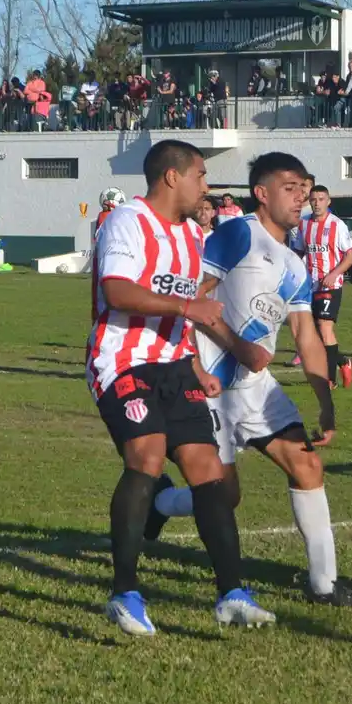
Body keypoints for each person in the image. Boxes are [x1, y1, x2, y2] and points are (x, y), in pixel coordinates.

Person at [148, 152, 352, 608]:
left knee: (307, 465)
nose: (302, 196)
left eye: (305, 187)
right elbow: (193, 299)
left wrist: (324, 402)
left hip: (255, 388)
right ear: (262, 193)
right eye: (290, 187)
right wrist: (235, 347)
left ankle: (324, 586)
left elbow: (305, 335)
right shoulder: (236, 235)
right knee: (224, 497)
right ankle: (161, 504)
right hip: (209, 387)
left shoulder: (294, 262)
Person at [87, 139, 270, 636]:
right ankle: (125, 594)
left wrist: (197, 361)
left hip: (174, 365)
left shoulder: (192, 235)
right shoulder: (127, 221)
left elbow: (185, 305)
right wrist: (190, 311)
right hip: (121, 361)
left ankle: (231, 593)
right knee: (147, 455)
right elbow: (117, 292)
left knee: (209, 473)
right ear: (172, 177)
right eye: (200, 177)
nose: (205, 188)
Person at [297, 184, 352, 388]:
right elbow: (298, 252)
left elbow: (350, 255)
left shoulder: (337, 225)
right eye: (313, 199)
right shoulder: (303, 224)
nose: (317, 203)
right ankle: (343, 361)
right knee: (314, 335)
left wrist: (334, 274)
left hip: (330, 285)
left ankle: (329, 379)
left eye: (321, 199)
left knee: (325, 328)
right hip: (309, 285)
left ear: (328, 201)